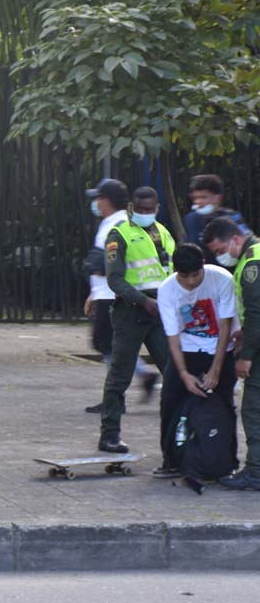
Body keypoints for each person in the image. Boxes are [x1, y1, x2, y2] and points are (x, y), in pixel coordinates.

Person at [95, 181, 173, 453]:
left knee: (173, 371)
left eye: (149, 208)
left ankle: (179, 433)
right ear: (131, 208)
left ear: (157, 208)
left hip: (159, 312)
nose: (144, 212)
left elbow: (170, 272)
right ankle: (109, 436)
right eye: (139, 208)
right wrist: (143, 301)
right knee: (119, 377)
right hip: (131, 312)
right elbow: (115, 280)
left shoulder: (163, 232)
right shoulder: (119, 234)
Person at [155, 244, 236, 477]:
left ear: (203, 266)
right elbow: (172, 336)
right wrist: (183, 373)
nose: (190, 282)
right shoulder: (167, 289)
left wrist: (215, 370)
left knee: (223, 404)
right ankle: (171, 461)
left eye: (195, 275)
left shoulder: (221, 279)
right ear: (175, 271)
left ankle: (226, 462)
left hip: (220, 349)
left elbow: (225, 325)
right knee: (170, 401)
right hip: (187, 349)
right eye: (184, 276)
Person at [201, 217, 260, 489]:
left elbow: (258, 314)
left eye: (219, 249)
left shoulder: (251, 264)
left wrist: (246, 355)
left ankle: (256, 473)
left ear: (235, 238)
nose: (219, 256)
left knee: (253, 410)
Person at [83, 185, 130, 414]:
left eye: (99, 198)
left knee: (109, 345)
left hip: (112, 294)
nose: (96, 203)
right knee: (108, 345)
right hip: (104, 293)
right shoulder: (109, 222)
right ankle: (116, 395)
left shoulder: (119, 225)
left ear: (108, 200)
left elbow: (110, 263)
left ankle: (115, 397)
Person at [184, 174, 250, 247]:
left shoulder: (232, 216)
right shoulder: (191, 219)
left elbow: (247, 239)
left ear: (217, 198)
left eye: (203, 197)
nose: (198, 202)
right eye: (195, 198)